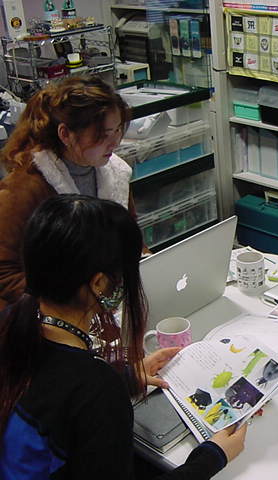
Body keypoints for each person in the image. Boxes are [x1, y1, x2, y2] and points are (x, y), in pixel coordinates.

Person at [0, 195, 247, 479]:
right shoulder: (95, 387)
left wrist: (126, 378)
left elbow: (51, 399)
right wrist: (212, 457)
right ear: (99, 283)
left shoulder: (11, 323)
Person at [0, 75, 136, 310]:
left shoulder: (115, 174)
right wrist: (68, 303)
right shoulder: (24, 189)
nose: (114, 143)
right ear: (65, 134)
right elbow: (4, 272)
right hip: (53, 318)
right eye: (103, 134)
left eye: (117, 131)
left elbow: (130, 237)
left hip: (106, 306)